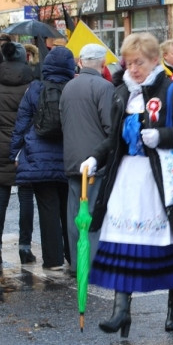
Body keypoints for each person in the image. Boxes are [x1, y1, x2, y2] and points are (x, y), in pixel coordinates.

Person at [80, 33, 173, 337]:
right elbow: (114, 139)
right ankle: (120, 311)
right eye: (129, 62)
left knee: (171, 242)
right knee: (123, 243)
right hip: (127, 181)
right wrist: (95, 158)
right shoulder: (122, 93)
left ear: (155, 60)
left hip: (162, 181)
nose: (134, 68)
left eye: (140, 62)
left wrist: (163, 137)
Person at [10, 46, 76, 270]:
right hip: (69, 157)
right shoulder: (73, 88)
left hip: (38, 158)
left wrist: (15, 153)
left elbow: (22, 123)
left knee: (47, 209)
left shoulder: (35, 88)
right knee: (69, 209)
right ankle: (72, 256)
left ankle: (53, 259)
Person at [61, 43, 115, 272]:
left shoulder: (68, 87)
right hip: (95, 160)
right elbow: (110, 126)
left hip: (72, 158)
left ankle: (76, 263)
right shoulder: (104, 87)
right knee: (92, 212)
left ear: (81, 62)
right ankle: (90, 264)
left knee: (75, 213)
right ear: (103, 65)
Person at [0, 41, 36, 266]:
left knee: (0, 199)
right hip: (25, 146)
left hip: (1, 145)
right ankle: (25, 249)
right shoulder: (31, 84)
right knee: (26, 199)